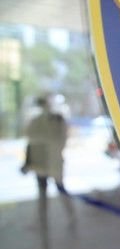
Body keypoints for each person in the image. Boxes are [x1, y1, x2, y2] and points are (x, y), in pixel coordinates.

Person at [22, 95, 75, 223]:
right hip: (41, 163)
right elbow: (30, 138)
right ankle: (43, 219)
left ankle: (70, 215)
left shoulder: (57, 120)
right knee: (43, 192)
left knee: (59, 189)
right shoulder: (36, 120)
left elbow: (61, 140)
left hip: (53, 162)